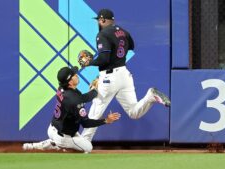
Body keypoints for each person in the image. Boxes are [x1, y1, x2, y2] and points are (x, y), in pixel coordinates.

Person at [80, 9, 171, 141]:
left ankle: (83, 144)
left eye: (99, 20)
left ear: (103, 20)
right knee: (134, 112)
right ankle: (150, 96)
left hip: (109, 78)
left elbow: (104, 59)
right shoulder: (122, 31)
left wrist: (89, 63)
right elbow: (131, 46)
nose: (98, 23)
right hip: (124, 74)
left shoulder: (102, 34)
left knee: (95, 111)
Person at [23, 66, 121, 153]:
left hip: (53, 128)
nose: (76, 75)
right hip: (64, 136)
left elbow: (81, 98)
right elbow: (86, 123)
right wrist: (106, 120)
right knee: (88, 147)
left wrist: (93, 91)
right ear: (70, 82)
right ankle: (59, 145)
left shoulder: (62, 88)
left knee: (76, 137)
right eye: (74, 75)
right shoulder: (73, 100)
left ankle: (39, 145)